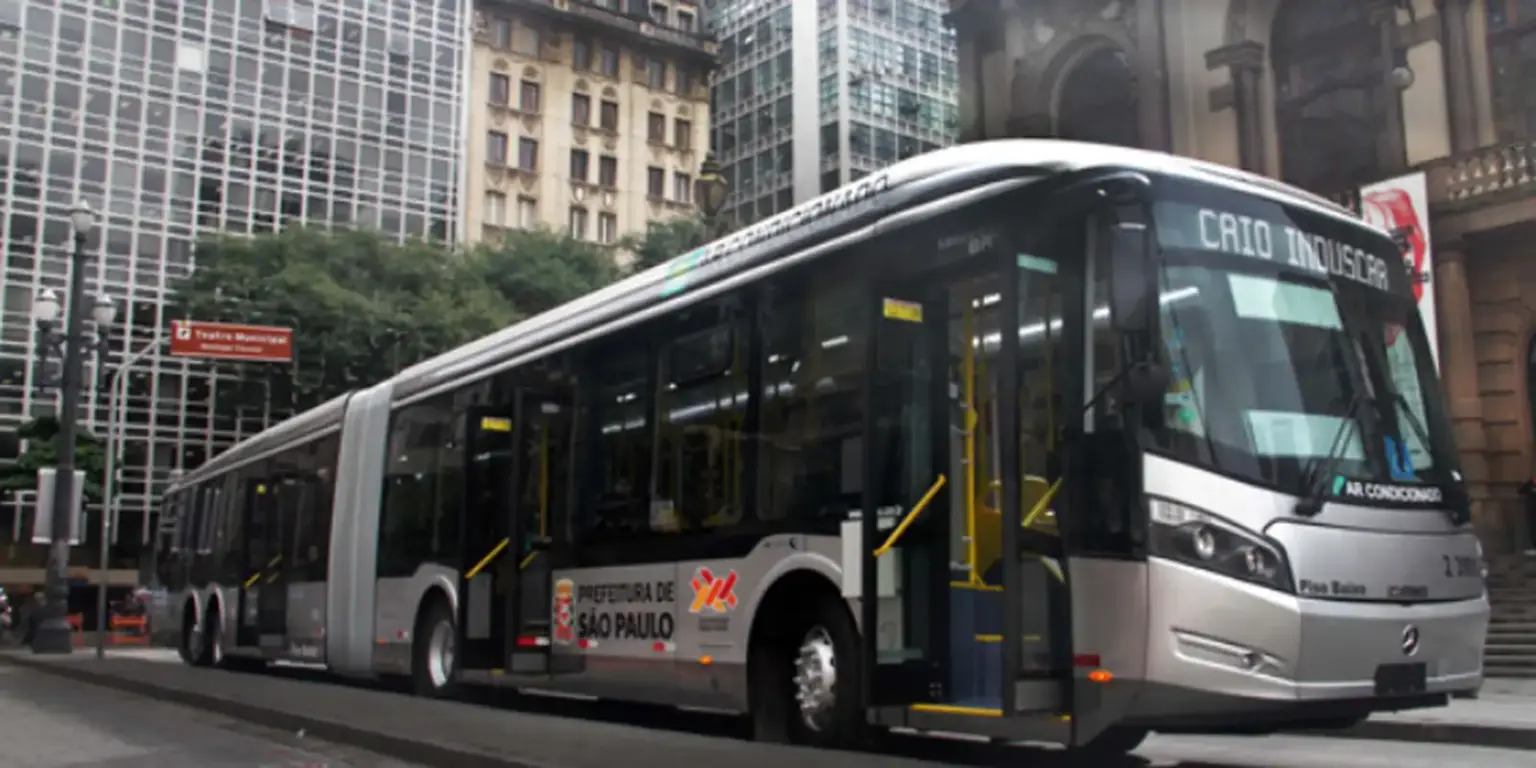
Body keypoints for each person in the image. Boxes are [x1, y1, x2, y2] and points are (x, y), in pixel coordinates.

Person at [1521, 475, 1536, 555]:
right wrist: (1530, 482)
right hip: (1532, 511)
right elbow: (1521, 490)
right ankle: (1534, 546)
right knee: (1532, 528)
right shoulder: (1530, 485)